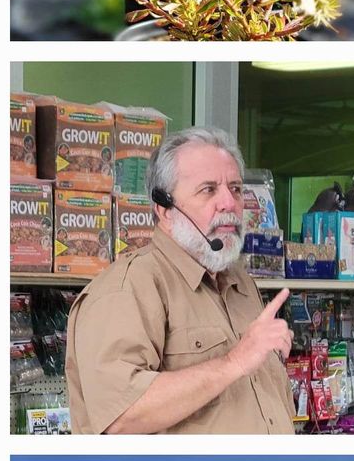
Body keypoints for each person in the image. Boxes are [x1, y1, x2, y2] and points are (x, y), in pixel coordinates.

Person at [66, 126, 295, 434]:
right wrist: (234, 362)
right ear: (165, 209)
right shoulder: (129, 287)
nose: (229, 203)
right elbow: (119, 416)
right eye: (209, 190)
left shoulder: (240, 283)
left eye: (236, 189)